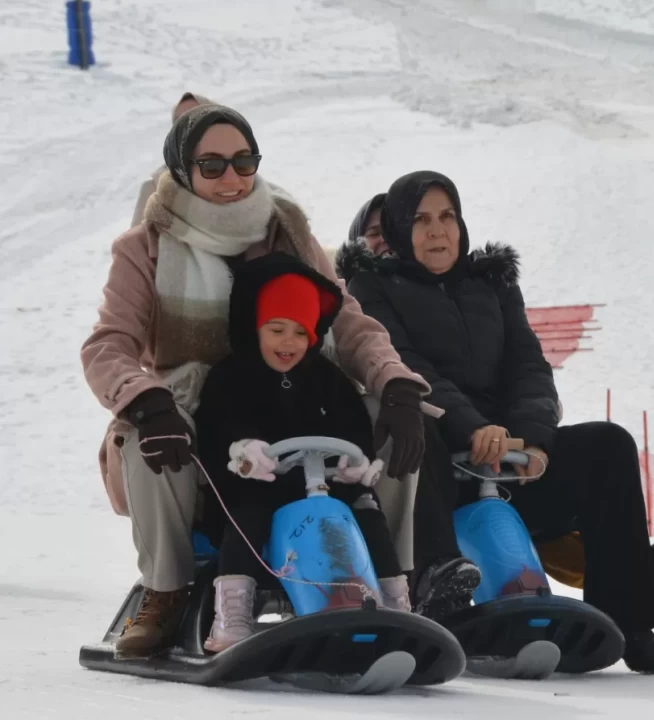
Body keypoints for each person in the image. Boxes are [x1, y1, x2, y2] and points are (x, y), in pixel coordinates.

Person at [82, 104, 432, 659]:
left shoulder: (286, 230)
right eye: (212, 164)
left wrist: (396, 383)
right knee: (143, 439)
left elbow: (347, 322)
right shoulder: (146, 245)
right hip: (200, 406)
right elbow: (108, 344)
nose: (232, 178)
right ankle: (166, 591)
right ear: (182, 168)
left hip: (294, 395)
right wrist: (145, 400)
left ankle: (395, 583)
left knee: (383, 422)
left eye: (244, 162)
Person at [342, 170, 654, 675]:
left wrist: (535, 442)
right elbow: (411, 366)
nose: (437, 231)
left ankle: (629, 621)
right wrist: (472, 427)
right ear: (398, 229)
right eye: (420, 220)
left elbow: (528, 366)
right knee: (416, 420)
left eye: (447, 217)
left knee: (607, 445)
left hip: (507, 466)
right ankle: (441, 587)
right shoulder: (373, 287)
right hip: (440, 471)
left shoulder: (492, 283)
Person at [194, 253, 411, 651]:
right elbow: (219, 423)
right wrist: (243, 448)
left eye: (300, 332)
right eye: (276, 330)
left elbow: (353, 425)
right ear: (255, 328)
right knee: (248, 513)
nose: (288, 343)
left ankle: (396, 603)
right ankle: (233, 615)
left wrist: (355, 460)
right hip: (259, 481)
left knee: (366, 509)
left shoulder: (327, 379)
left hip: (326, 485)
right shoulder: (231, 376)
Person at [130, 92, 214, 227]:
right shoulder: (154, 186)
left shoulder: (240, 172)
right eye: (179, 120)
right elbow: (134, 245)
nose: (187, 125)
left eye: (196, 116)